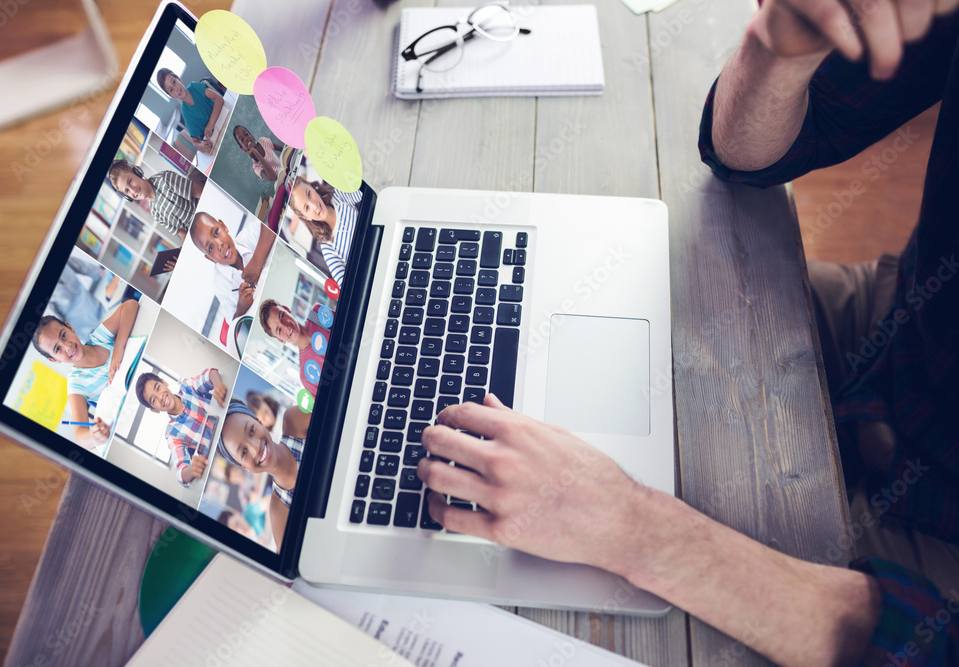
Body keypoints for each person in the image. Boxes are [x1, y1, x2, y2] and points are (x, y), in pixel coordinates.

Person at [417, 2, 959, 664]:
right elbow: (746, 151)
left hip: (932, 556)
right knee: (568, 298)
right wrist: (782, 48)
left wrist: (634, 527)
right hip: (898, 334)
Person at [32, 299, 139, 449]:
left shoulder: (98, 338)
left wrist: (119, 347)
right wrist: (93, 437)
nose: (67, 346)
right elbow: (80, 437)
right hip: (135, 411)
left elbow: (130, 305)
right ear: (54, 360)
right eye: (57, 349)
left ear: (69, 327)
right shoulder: (76, 383)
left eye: (63, 335)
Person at [218, 400, 311, 550]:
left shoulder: (293, 421)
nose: (255, 448)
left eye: (251, 430)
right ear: (245, 467)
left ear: (259, 421)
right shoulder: (279, 511)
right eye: (243, 452)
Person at [134, 368, 228, 487]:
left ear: (164, 382)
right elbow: (181, 474)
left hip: (231, 416)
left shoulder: (187, 387)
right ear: (154, 410)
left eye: (158, 388)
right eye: (153, 400)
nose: (160, 397)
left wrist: (218, 384)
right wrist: (192, 469)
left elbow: (211, 374)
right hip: (222, 450)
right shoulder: (172, 434)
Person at [189, 212, 276, 321]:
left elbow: (272, 219)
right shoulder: (220, 285)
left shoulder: (247, 236)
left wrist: (256, 262)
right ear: (210, 258)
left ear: (223, 226)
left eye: (216, 233)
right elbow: (233, 321)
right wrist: (241, 307)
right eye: (211, 248)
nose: (219, 245)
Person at [289, 176, 362, 285]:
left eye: (309, 194)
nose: (314, 205)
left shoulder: (339, 196)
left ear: (311, 187)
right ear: (306, 217)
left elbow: (366, 195)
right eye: (307, 208)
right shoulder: (327, 247)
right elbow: (345, 284)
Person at [107, 160, 204, 238]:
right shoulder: (155, 213)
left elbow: (201, 193)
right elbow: (183, 234)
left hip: (205, 214)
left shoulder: (165, 179)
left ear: (137, 172)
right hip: (199, 236)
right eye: (127, 191)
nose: (133, 190)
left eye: (130, 181)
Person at [258, 299, 330, 398]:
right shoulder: (306, 376)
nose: (285, 326)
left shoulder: (317, 313)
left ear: (287, 309)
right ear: (281, 340)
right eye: (279, 330)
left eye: (282, 316)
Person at [156, 68, 224, 153]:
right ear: (172, 96)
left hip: (224, 115)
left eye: (174, 82)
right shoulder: (185, 112)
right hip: (218, 134)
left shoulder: (194, 87)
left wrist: (211, 123)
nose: (176, 88)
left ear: (179, 79)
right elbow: (195, 142)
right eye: (171, 90)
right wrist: (202, 146)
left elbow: (219, 99)